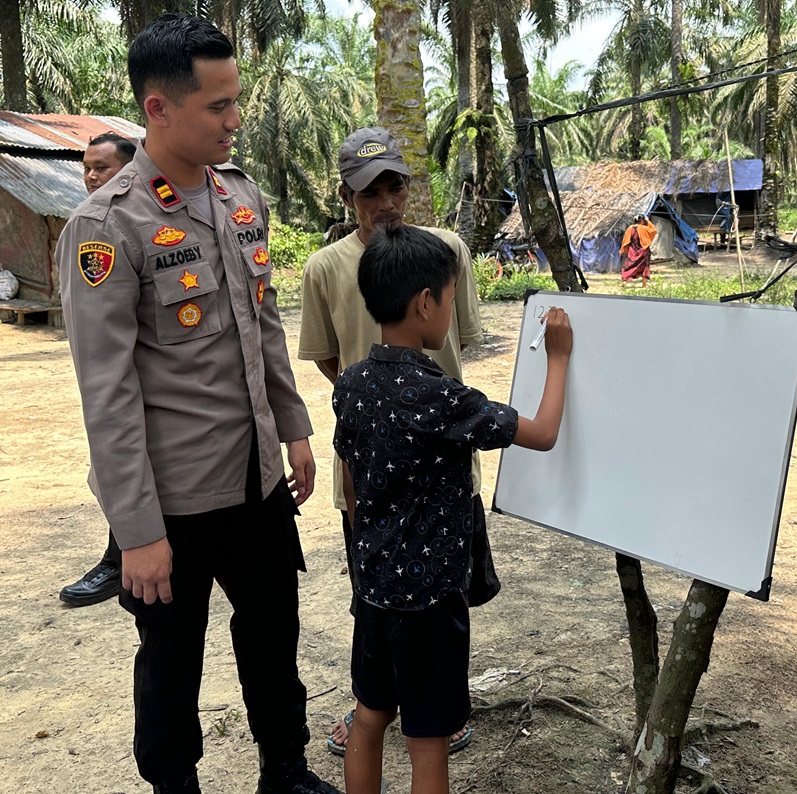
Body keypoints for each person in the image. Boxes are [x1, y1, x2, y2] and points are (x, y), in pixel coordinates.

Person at [56, 14, 339, 794]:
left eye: (235, 100)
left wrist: (295, 428)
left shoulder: (238, 200)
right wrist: (136, 533)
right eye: (217, 106)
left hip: (256, 480)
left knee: (273, 638)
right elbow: (106, 396)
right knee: (172, 661)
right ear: (158, 108)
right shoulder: (108, 226)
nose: (235, 119)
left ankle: (286, 769)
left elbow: (266, 326)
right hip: (174, 504)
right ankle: (174, 785)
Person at [332, 224, 573, 794]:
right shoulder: (441, 397)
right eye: (449, 297)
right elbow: (540, 434)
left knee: (369, 717)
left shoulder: (353, 383)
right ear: (424, 303)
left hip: (373, 586)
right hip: (431, 598)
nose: (450, 310)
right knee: (428, 740)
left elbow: (351, 478)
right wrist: (558, 358)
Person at [298, 126, 487, 757]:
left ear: (408, 186)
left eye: (394, 185)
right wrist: (384, 403)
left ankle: (438, 708)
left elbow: (458, 342)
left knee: (447, 588)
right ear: (348, 196)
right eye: (369, 190)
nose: (384, 201)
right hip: (370, 471)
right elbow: (328, 359)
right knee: (372, 590)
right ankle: (376, 707)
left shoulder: (447, 251)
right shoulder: (326, 268)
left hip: (446, 460)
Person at [58, 131, 138, 608]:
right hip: (111, 382)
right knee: (115, 468)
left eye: (101, 168)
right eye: (86, 167)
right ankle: (118, 558)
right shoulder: (86, 225)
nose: (90, 176)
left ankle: (118, 561)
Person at [620, 213, 656, 287]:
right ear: (642, 221)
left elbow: (626, 240)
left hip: (632, 252)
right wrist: (648, 221)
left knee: (628, 266)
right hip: (643, 251)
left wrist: (625, 249)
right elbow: (653, 230)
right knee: (645, 267)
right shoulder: (644, 228)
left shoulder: (630, 228)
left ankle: (624, 281)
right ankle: (644, 284)